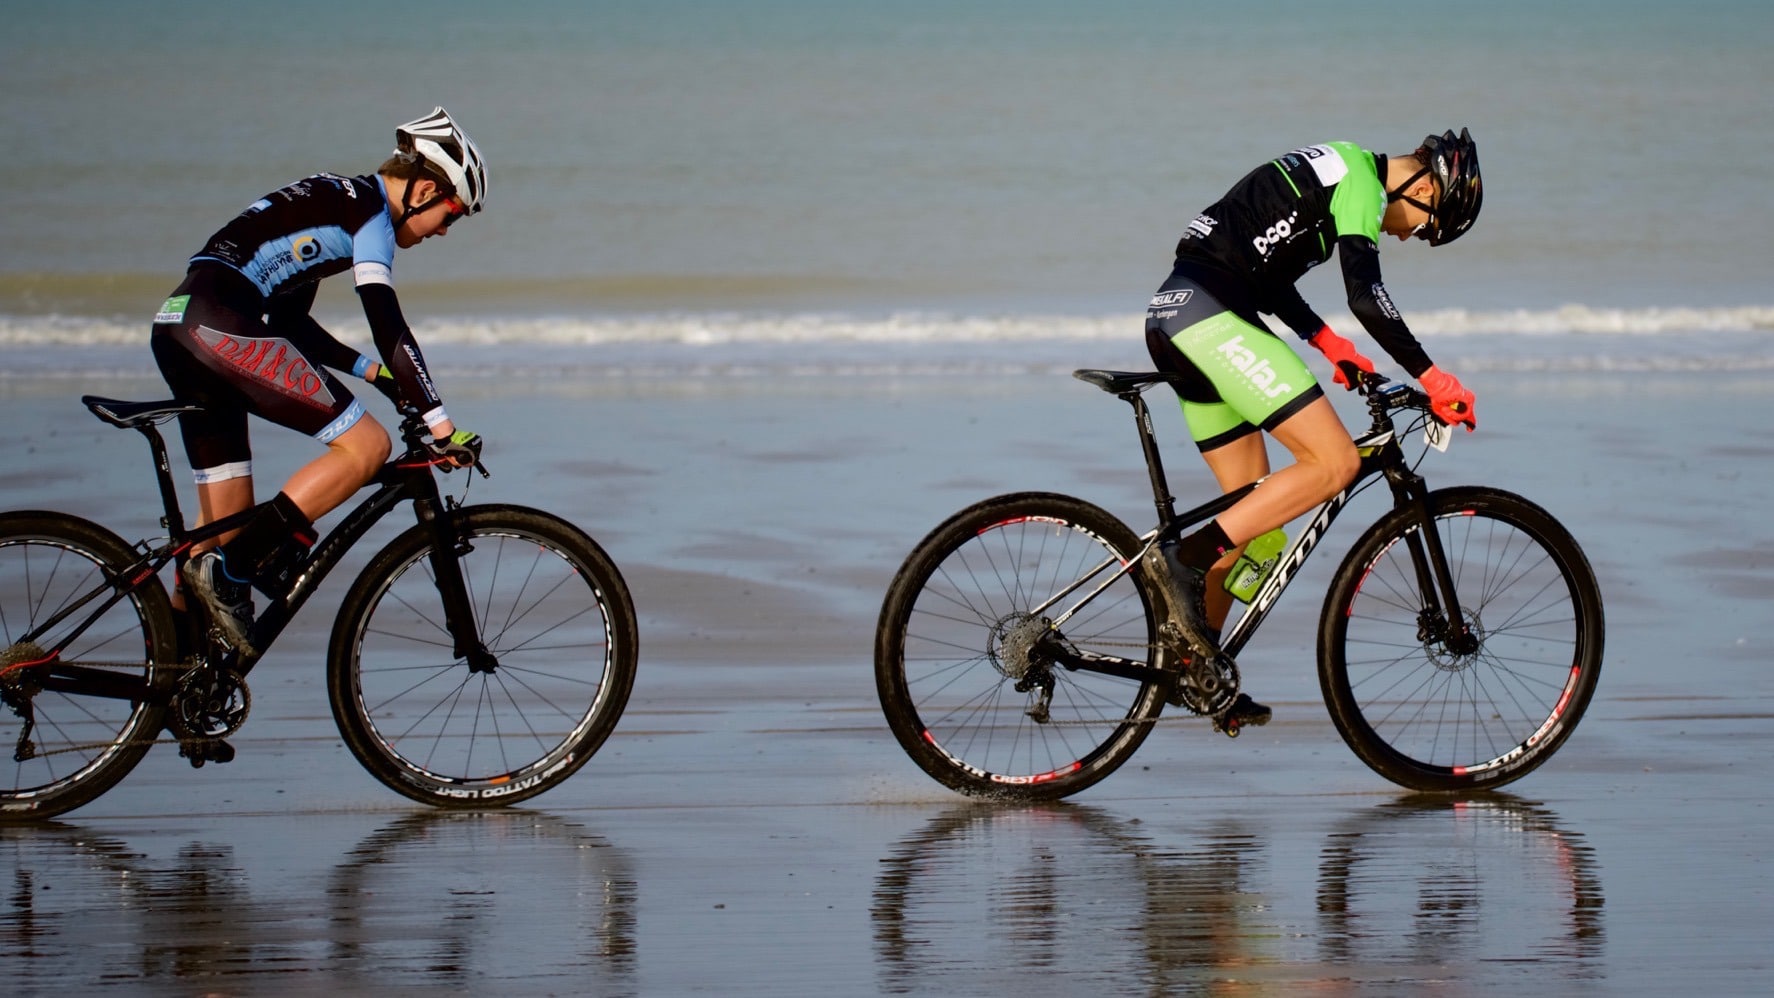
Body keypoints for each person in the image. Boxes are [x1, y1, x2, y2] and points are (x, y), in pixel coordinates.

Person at [1143, 129, 1483, 732]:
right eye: (1423, 225)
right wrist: (1434, 378)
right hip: (1212, 318)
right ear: (1424, 184)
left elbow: (1264, 272)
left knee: (1258, 521)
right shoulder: (1362, 181)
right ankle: (1183, 561)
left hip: (1179, 313)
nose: (1405, 234)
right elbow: (1367, 295)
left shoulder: (1332, 171)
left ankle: (1197, 667)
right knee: (1334, 465)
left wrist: (1327, 343)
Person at [151, 107, 489, 657]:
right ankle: (232, 576)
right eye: (451, 214)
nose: (445, 231)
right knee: (367, 446)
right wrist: (441, 424)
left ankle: (171, 678)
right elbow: (387, 321)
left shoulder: (338, 199)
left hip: (180, 323)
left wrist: (374, 375)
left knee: (221, 536)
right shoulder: (372, 216)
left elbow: (286, 324)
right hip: (216, 325)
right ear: (425, 189)